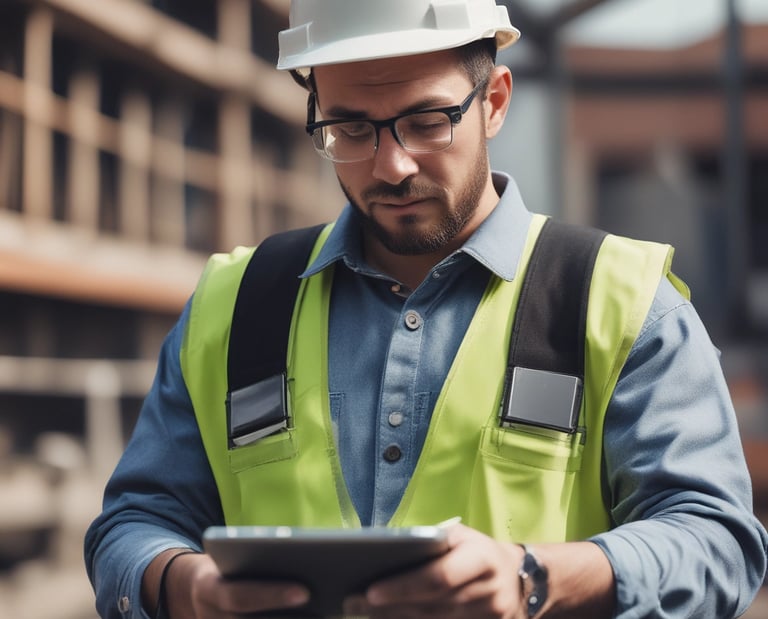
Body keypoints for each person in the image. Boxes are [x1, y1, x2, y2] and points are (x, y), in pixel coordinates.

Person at [84, 1, 768, 617]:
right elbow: (136, 522)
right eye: (350, 129)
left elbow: (717, 541)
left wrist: (534, 577)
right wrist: (184, 586)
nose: (392, 165)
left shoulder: (619, 303)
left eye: (425, 121)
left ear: (495, 100)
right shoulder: (232, 308)